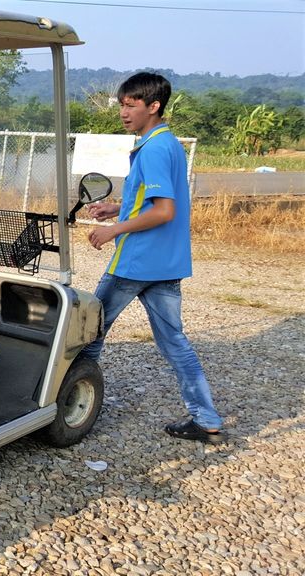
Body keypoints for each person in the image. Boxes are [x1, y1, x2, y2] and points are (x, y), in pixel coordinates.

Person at [81, 72, 226, 444]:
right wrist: (116, 208)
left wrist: (114, 230)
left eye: (131, 105)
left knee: (89, 332)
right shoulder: (166, 143)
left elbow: (164, 211)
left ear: (154, 106)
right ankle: (207, 418)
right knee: (174, 342)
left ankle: (67, 407)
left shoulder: (156, 148)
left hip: (136, 263)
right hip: (165, 263)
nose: (124, 113)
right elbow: (147, 200)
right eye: (122, 105)